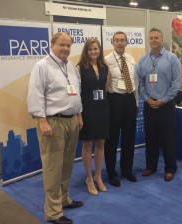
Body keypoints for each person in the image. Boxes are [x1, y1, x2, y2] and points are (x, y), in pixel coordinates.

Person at [27, 32, 83, 224]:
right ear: (52, 44)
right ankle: (53, 212)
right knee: (53, 168)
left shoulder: (70, 67)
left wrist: (79, 115)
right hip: (53, 122)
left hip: (72, 121)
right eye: (62, 45)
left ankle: (64, 199)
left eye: (68, 45)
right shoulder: (42, 66)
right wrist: (42, 121)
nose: (65, 49)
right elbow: (35, 96)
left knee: (67, 164)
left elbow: (77, 92)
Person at [137, 28, 182, 182]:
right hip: (149, 104)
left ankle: (170, 168)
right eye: (151, 38)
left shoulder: (172, 59)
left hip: (166, 104)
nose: (154, 40)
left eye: (157, 37)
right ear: (149, 40)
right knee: (150, 137)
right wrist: (146, 98)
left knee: (168, 138)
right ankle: (151, 166)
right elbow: (141, 82)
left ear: (161, 39)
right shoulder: (143, 60)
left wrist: (163, 100)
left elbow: (176, 84)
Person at [104, 31, 139, 187]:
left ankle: (127, 170)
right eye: (116, 40)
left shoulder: (131, 59)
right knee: (111, 139)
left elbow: (135, 82)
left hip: (129, 100)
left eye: (122, 40)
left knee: (129, 138)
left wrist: (136, 103)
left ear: (126, 43)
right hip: (114, 101)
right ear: (112, 43)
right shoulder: (106, 61)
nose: (119, 43)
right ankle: (112, 173)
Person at [77, 38, 109, 195]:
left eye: (96, 49)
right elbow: (77, 93)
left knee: (101, 143)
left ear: (99, 50)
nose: (93, 52)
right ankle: (89, 178)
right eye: (90, 49)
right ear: (86, 51)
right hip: (87, 110)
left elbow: (106, 88)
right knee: (88, 145)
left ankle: (98, 176)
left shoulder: (104, 67)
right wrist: (79, 115)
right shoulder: (80, 68)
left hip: (102, 109)